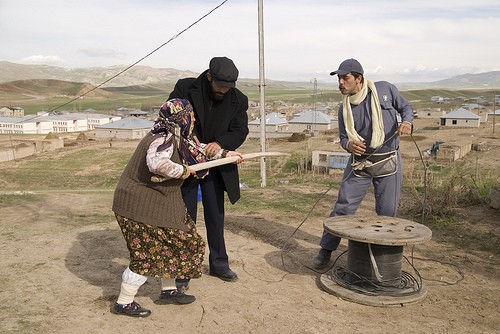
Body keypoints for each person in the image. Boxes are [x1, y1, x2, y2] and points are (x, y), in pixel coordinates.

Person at [112, 98, 243, 317]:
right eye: (190, 115)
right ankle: (124, 302)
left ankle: (169, 290)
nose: (192, 119)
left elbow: (198, 148)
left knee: (182, 239)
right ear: (181, 117)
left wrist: (226, 155)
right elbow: (157, 164)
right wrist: (182, 171)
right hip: (137, 204)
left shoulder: (178, 136)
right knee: (145, 253)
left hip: (161, 201)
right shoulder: (162, 137)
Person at [313, 58, 414, 269]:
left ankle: (381, 257)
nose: (340, 82)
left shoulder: (385, 90)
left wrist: (407, 122)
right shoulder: (344, 109)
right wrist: (348, 144)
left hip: (388, 163)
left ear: (358, 78)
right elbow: (342, 137)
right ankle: (326, 250)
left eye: (345, 78)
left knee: (387, 213)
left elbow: (406, 107)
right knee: (343, 208)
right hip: (359, 164)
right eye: (339, 78)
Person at [168, 56, 249, 282]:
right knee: (186, 218)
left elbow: (240, 130)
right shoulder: (185, 88)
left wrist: (221, 144)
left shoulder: (238, 99)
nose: (223, 91)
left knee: (216, 216)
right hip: (187, 164)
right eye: (220, 86)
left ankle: (219, 264)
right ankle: (183, 269)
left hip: (216, 166)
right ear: (210, 76)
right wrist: (192, 141)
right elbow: (171, 118)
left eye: (228, 88)